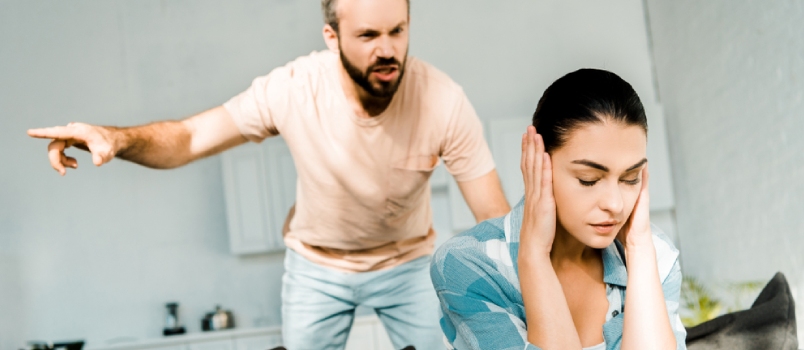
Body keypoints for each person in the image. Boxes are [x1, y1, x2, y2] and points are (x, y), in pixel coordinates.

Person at [26, 0, 511, 348]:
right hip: (316, 269)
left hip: (407, 264)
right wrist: (118, 138)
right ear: (332, 37)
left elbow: (493, 216)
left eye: (398, 31)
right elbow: (191, 138)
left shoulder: (444, 100)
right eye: (367, 35)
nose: (387, 50)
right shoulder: (292, 88)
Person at [430, 69, 686, 350]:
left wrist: (638, 249)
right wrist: (534, 257)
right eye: (588, 180)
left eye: (630, 178)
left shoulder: (655, 258)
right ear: (539, 164)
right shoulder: (469, 264)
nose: (615, 204)